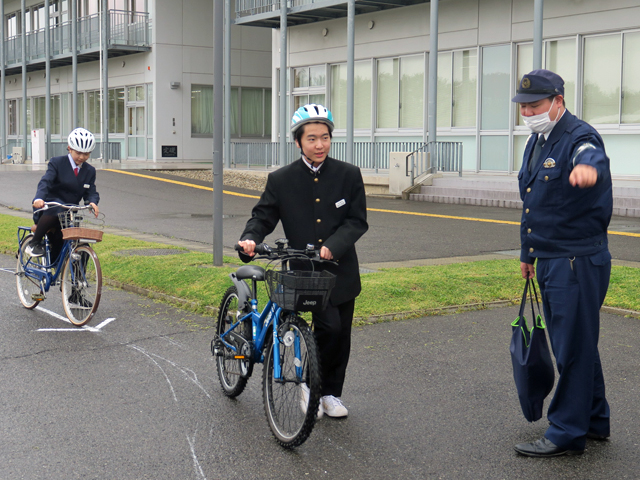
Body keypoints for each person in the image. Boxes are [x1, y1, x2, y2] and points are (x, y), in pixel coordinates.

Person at [238, 104, 368, 418]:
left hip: (341, 270)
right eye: (311, 139)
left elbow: (356, 221)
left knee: (341, 334)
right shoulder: (281, 179)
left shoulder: (348, 174)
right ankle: (311, 386)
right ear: (298, 142)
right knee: (329, 327)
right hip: (303, 272)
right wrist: (251, 239)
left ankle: (330, 394)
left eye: (324, 137)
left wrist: (333, 246)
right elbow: (263, 216)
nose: (319, 144)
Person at [511, 70, 613, 457]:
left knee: (571, 346)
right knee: (578, 342)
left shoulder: (579, 136)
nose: (528, 113)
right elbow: (533, 202)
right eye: (523, 108)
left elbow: (592, 156)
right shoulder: (538, 140)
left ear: (558, 101)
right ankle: (594, 419)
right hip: (550, 256)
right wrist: (527, 254)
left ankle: (566, 431)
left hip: (576, 260)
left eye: (535, 106)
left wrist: (590, 170)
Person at [26, 127, 100, 262]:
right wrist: (39, 198)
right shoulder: (57, 163)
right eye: (78, 153)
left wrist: (92, 202)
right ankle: (34, 243)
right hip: (49, 208)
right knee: (58, 210)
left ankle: (77, 280)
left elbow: (91, 191)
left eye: (86, 154)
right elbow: (46, 182)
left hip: (69, 214)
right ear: (69, 148)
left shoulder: (90, 171)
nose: (82, 157)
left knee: (80, 244)